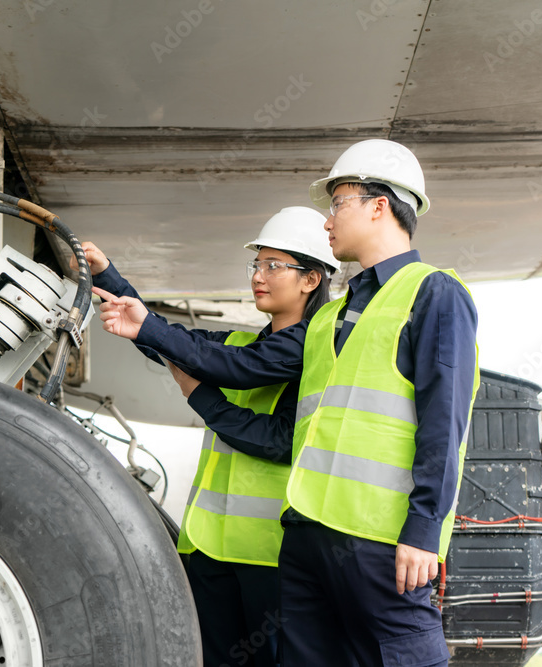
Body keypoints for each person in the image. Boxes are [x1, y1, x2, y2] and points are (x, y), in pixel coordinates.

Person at [96, 139, 479, 666]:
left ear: (379, 205)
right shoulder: (328, 319)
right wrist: (111, 283)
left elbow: (445, 422)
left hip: (378, 539)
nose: (328, 220)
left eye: (338, 203)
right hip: (306, 535)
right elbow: (201, 351)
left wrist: (423, 529)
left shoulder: (434, 293)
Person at [87, 207, 340, 667]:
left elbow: (277, 439)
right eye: (256, 265)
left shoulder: (313, 350)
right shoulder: (246, 345)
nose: (258, 277)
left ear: (311, 279)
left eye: (273, 266)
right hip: (209, 548)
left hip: (271, 556)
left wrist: (199, 395)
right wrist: (108, 276)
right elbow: (171, 342)